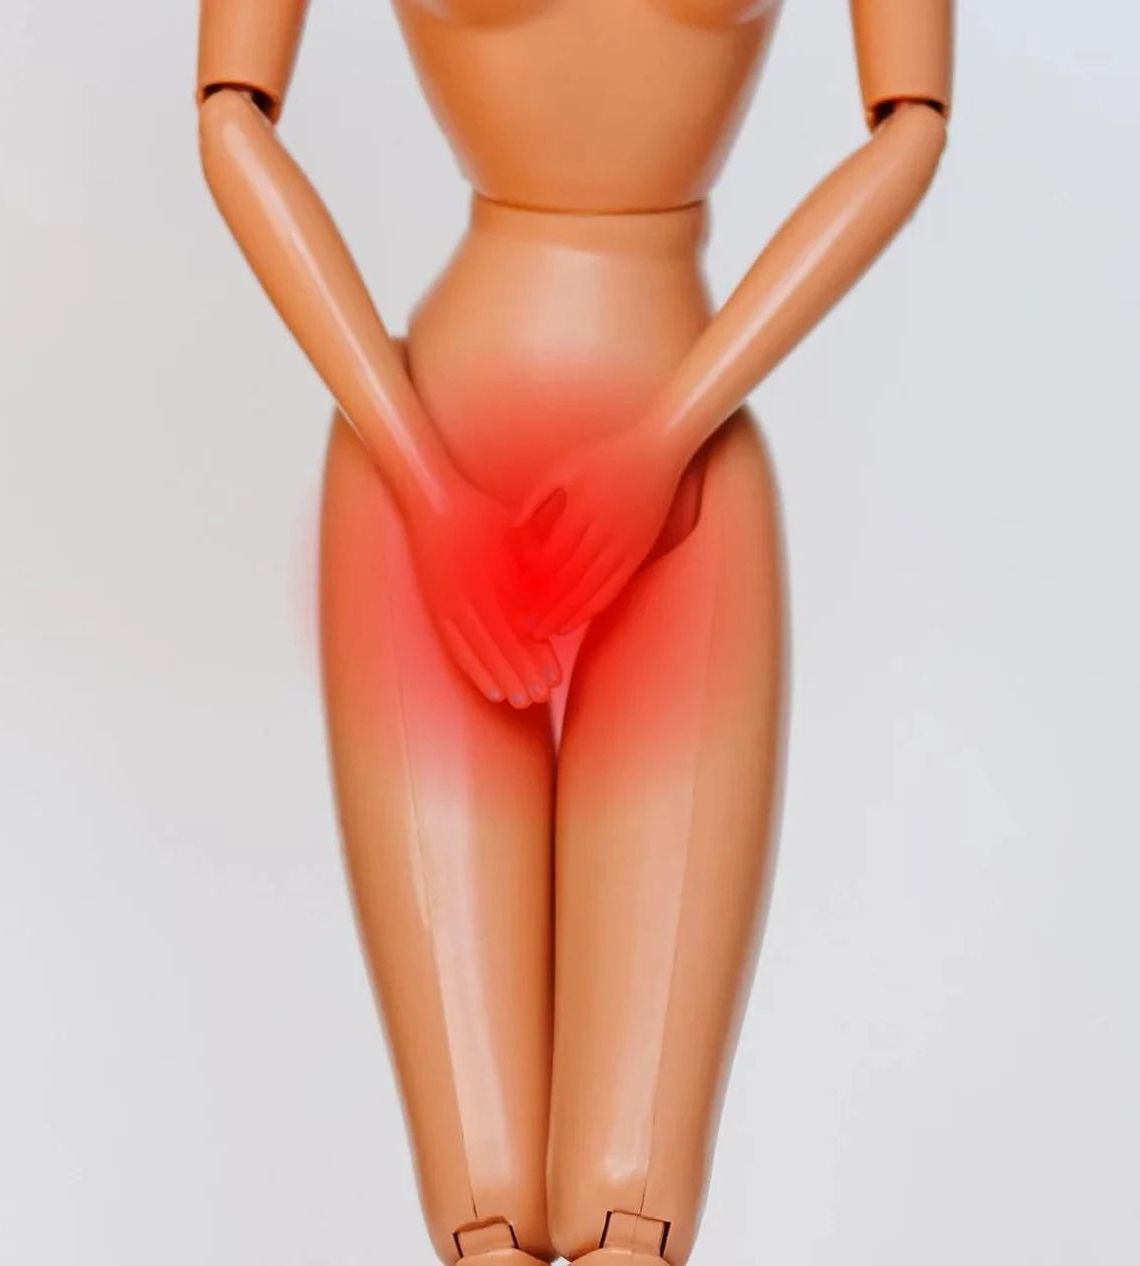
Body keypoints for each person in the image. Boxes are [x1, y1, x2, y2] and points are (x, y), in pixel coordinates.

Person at [196, 2, 953, 1261]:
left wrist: (666, 436)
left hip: (641, 481)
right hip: (443, 470)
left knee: (627, 1199)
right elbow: (230, 118)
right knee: (485, 1198)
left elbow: (910, 130)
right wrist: (432, 485)